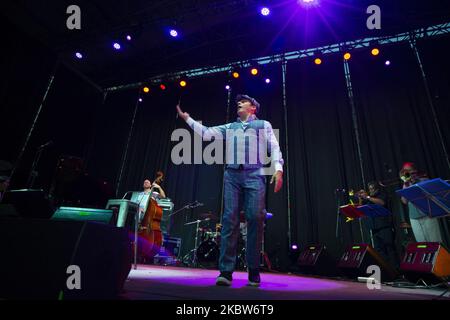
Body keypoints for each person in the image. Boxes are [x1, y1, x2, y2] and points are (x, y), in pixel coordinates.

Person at [176, 94, 283, 287]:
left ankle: (253, 269)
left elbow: (274, 147)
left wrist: (278, 169)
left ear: (253, 108)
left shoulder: (263, 125)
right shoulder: (230, 127)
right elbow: (207, 133)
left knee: (255, 218)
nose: (239, 103)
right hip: (232, 175)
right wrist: (187, 119)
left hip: (255, 175)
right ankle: (225, 271)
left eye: (244, 101)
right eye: (238, 102)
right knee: (229, 220)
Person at [357, 182, 399, 268]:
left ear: (377, 188)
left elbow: (382, 203)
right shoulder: (369, 198)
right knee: (379, 250)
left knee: (389, 248)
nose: (371, 190)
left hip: (384, 226)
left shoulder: (382, 194)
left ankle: (397, 270)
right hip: (374, 228)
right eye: (369, 189)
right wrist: (360, 198)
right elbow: (361, 209)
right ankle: (387, 270)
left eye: (372, 188)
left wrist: (368, 197)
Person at [399, 162, 443, 243]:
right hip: (413, 217)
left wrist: (414, 182)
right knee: (422, 244)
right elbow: (404, 201)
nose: (407, 173)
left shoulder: (424, 179)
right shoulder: (406, 184)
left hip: (427, 214)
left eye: (409, 170)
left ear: (414, 170)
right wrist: (406, 184)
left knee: (435, 242)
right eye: (405, 171)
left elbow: (429, 194)